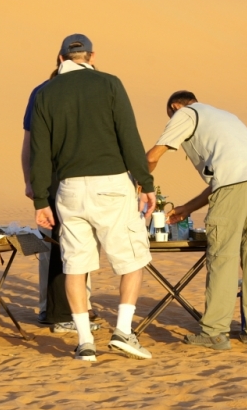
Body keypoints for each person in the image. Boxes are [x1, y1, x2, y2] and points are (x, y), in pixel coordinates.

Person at [30, 33, 156, 362]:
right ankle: (124, 332)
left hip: (69, 189)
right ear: (92, 56)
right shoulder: (110, 83)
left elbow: (40, 152)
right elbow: (129, 134)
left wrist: (40, 200)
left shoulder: (45, 93)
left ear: (60, 59)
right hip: (112, 183)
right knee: (133, 260)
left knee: (76, 266)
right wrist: (146, 181)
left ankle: (85, 342)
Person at [146, 90, 247, 350]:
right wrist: (187, 208)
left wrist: (139, 184)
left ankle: (214, 331)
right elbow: (225, 179)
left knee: (222, 256)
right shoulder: (226, 117)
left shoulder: (185, 114)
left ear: (174, 107)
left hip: (234, 186)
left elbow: (152, 156)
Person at [21, 59, 100, 334]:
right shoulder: (46, 92)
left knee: (76, 243)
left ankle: (73, 308)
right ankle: (58, 313)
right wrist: (32, 183)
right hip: (59, 176)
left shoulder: (64, 91)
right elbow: (30, 144)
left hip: (72, 177)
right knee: (60, 245)